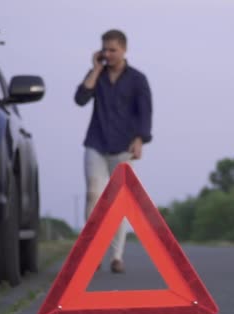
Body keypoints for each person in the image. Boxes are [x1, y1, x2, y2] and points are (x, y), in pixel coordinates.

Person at [74, 29, 152, 273]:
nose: (107, 54)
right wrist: (96, 70)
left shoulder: (138, 79)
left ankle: (116, 256)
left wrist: (140, 139)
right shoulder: (96, 74)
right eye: (104, 49)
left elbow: (145, 112)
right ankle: (92, 252)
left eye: (112, 50)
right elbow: (80, 99)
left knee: (118, 202)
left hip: (124, 146)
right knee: (93, 196)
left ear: (124, 50)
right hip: (96, 142)